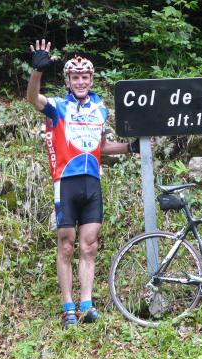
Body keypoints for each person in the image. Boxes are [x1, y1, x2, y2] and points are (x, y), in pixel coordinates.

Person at [26, 39, 139, 329]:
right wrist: (37, 70)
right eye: (75, 77)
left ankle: (87, 304)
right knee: (66, 245)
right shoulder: (58, 107)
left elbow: (101, 147)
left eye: (85, 76)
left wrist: (129, 148)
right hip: (65, 182)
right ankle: (68, 308)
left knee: (89, 245)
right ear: (67, 80)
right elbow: (32, 98)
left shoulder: (100, 109)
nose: (80, 81)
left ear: (91, 79)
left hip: (92, 183)